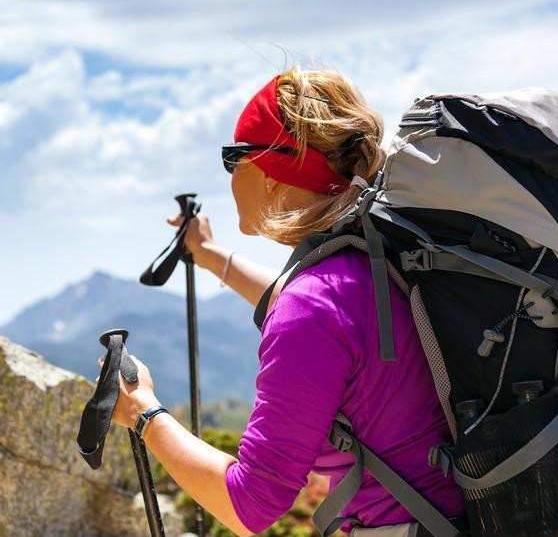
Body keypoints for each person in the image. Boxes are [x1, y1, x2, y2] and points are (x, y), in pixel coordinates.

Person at [107, 69, 465, 535]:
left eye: (234, 156)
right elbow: (315, 313)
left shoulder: (315, 305)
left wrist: (141, 410)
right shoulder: (380, 259)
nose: (231, 173)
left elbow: (249, 505)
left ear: (275, 174)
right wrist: (209, 256)